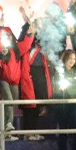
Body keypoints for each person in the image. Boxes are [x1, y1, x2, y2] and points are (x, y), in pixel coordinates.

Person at [17, 7, 52, 140]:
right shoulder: (25, 41)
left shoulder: (41, 41)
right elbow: (24, 37)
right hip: (29, 73)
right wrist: (26, 17)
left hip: (40, 73)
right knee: (29, 106)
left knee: (37, 104)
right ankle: (28, 133)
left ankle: (34, 131)